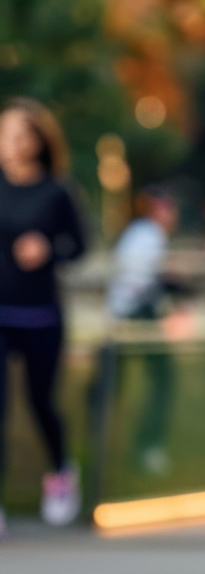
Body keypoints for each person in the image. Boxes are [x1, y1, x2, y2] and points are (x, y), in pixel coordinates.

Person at [0, 97, 86, 531]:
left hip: (40, 314)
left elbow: (80, 246)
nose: (14, 143)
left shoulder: (57, 191)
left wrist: (48, 249)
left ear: (39, 140)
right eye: (7, 133)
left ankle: (61, 475)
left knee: (40, 402)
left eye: (23, 133)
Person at [106, 186, 179, 475]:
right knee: (162, 381)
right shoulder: (150, 236)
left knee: (114, 385)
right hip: (134, 315)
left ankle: (111, 446)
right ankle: (146, 446)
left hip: (124, 314)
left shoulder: (139, 233)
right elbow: (138, 281)